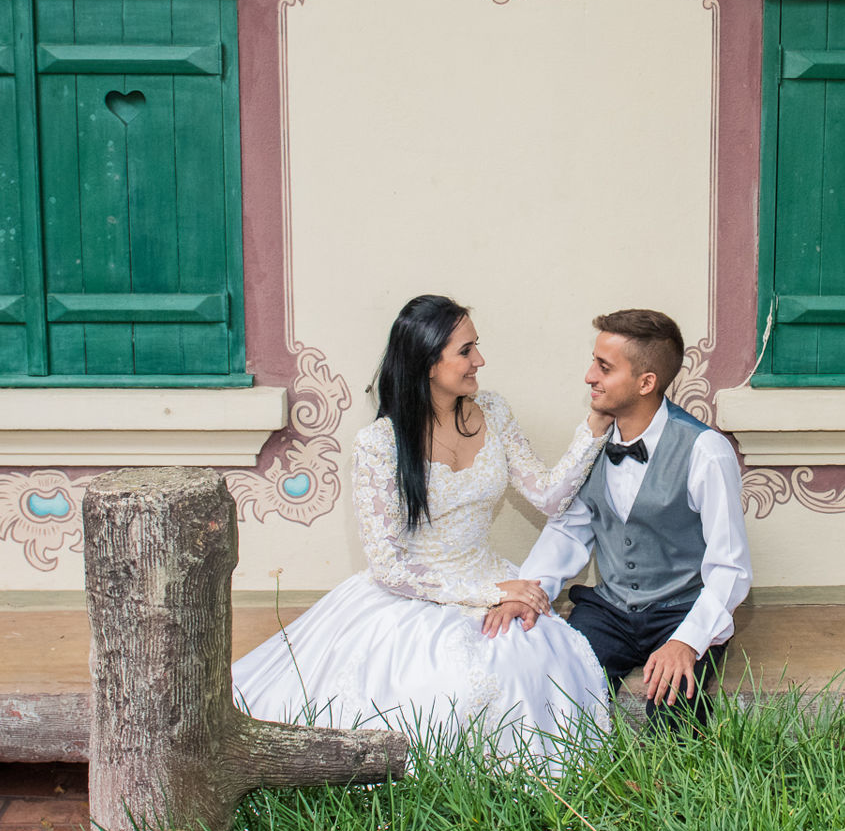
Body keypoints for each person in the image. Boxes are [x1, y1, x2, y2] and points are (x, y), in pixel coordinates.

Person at [231, 294, 611, 761]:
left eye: (476, 347)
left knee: (533, 655)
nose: (480, 360)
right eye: (466, 351)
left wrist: (595, 426)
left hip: (487, 569)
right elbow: (389, 567)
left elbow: (548, 495)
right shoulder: (379, 444)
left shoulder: (492, 410)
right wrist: (492, 592)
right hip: (411, 592)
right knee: (448, 680)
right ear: (430, 363)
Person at [500, 309, 751, 730]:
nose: (588, 376)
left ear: (646, 382)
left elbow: (731, 566)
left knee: (673, 709)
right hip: (609, 610)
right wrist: (529, 589)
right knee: (561, 687)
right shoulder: (593, 444)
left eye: (604, 367)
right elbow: (568, 530)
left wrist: (687, 642)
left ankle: (676, 782)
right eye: (593, 362)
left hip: (681, 608)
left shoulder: (705, 451)